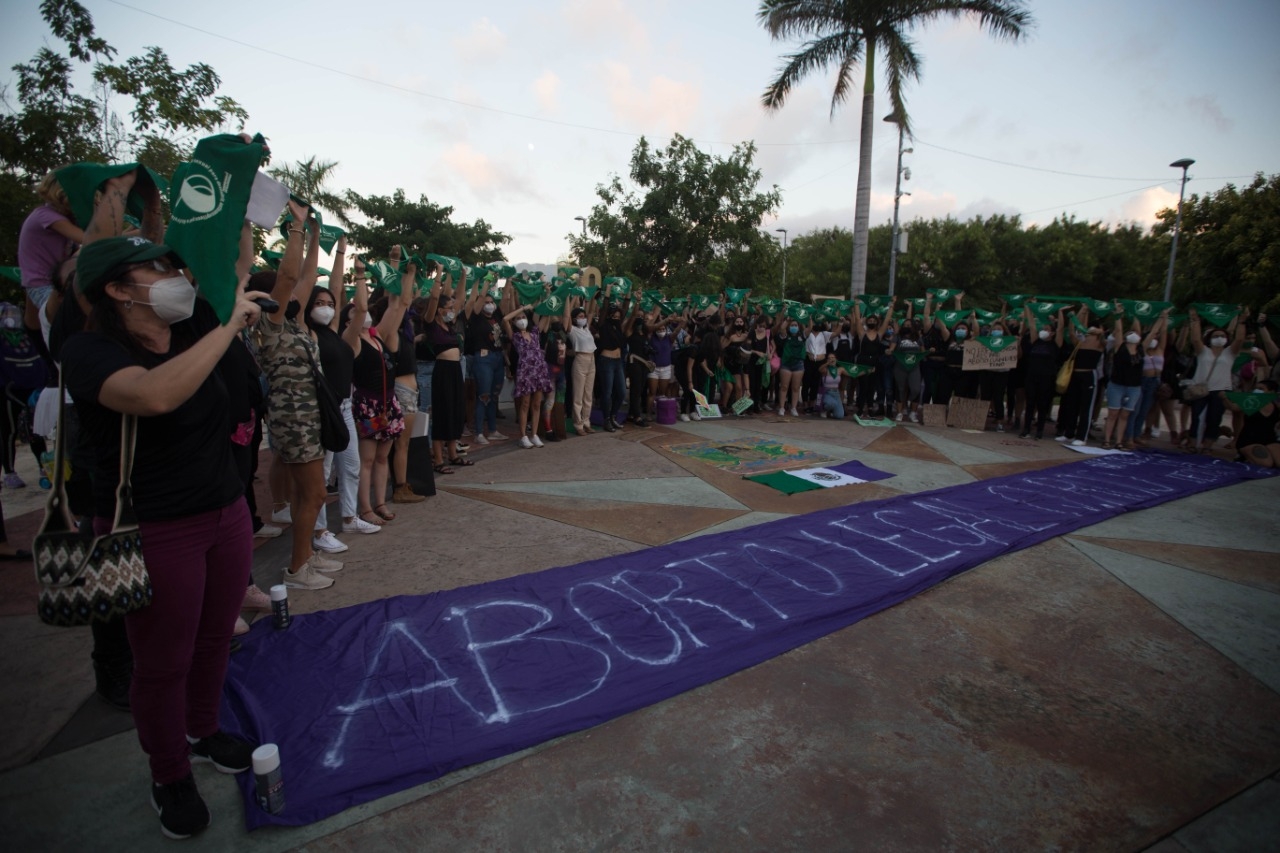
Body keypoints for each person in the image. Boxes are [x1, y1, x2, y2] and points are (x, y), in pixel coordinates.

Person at [61, 183, 262, 838]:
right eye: (159, 268)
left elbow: (233, 264)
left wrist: (240, 199)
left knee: (213, 638)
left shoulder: (190, 324)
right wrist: (229, 326)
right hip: (155, 528)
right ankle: (168, 770)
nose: (177, 277)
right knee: (163, 659)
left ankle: (203, 731)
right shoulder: (91, 352)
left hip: (224, 511)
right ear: (118, 289)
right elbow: (154, 397)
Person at [252, 203, 343, 589]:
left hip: (309, 416)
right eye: (282, 289)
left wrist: (317, 236)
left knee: (312, 493)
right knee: (315, 493)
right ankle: (297, 568)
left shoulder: (293, 322)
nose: (294, 292)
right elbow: (291, 274)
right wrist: (296, 228)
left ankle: (305, 555)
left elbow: (304, 277)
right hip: (293, 418)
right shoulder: (268, 325)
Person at [304, 247, 380, 536]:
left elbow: (359, 309)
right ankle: (320, 531)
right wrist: (334, 254)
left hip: (345, 407)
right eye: (318, 302)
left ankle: (349, 519)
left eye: (329, 303)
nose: (325, 306)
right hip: (320, 409)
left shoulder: (339, 334)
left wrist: (359, 274)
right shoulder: (305, 332)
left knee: (351, 466)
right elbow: (330, 284)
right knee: (321, 474)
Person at [1184, 307, 1245, 454]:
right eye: (1216, 335)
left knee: (1214, 418)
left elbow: (1240, 339)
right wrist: (1195, 319)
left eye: (1222, 336)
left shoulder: (1229, 352)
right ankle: (1192, 443)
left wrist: (1241, 321)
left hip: (1221, 390)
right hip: (1200, 389)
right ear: (1210, 338)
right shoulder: (1203, 351)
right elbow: (1195, 338)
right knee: (1196, 417)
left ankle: (1208, 445)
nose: (1219, 338)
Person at [502, 305, 553, 446]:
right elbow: (505, 319)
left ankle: (534, 434)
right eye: (518, 318)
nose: (521, 320)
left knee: (536, 404)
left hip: (538, 370)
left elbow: (546, 315)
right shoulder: (515, 336)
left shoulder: (535, 332)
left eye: (523, 317)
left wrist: (547, 297)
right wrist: (522, 308)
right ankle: (523, 436)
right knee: (525, 404)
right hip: (525, 371)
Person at [1101, 304, 1145, 450]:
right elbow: (1119, 330)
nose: (1133, 334)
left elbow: (1148, 331)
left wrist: (1136, 314)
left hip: (1134, 386)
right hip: (1117, 384)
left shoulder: (1141, 349)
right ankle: (1107, 440)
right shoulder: (1120, 347)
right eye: (1129, 333)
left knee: (1125, 415)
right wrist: (1119, 315)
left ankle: (1119, 441)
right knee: (1113, 413)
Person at [1020, 307, 1064, 440]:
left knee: (1042, 404)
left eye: (1047, 330)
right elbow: (1032, 325)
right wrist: (1030, 309)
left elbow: (1061, 328)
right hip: (1032, 376)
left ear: (1052, 333)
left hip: (1047, 378)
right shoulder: (1035, 342)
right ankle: (1026, 429)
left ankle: (1039, 430)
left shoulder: (1055, 344)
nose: (1044, 331)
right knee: (1030, 404)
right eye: (1043, 329)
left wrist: (1060, 312)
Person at [1222, 379, 1280, 466]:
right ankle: (1243, 456)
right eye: (1256, 388)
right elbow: (1233, 407)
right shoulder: (1252, 402)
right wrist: (1224, 398)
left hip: (1269, 439)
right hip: (1250, 440)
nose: (1257, 391)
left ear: (1271, 392)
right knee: (1267, 464)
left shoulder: (1277, 406)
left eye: (1261, 389)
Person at [565, 301, 597, 435]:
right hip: (580, 359)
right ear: (574, 318)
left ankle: (586, 422)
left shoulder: (587, 329)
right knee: (578, 394)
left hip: (591, 359)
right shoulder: (572, 330)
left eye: (583, 316)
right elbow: (566, 316)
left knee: (588, 394)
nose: (583, 318)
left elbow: (591, 311)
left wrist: (591, 297)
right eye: (580, 316)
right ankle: (578, 425)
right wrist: (568, 298)